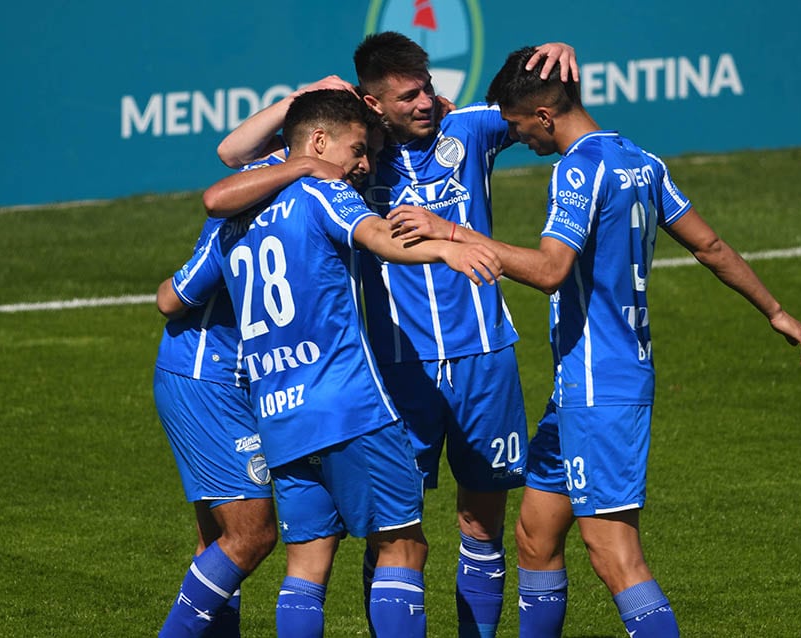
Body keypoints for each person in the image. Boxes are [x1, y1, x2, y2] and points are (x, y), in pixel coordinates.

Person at [389, 46, 801, 637]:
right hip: (579, 390)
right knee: (535, 534)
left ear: (542, 116)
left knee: (613, 552)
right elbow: (710, 246)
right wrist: (775, 309)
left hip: (601, 386)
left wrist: (451, 231)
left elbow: (550, 270)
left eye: (516, 126)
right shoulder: (640, 160)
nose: (517, 140)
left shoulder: (577, 170)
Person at [210, 34, 580, 638]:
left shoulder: (472, 132)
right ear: (373, 105)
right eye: (408, 96)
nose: (426, 103)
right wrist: (302, 97)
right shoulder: (356, 154)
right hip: (394, 370)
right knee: (388, 534)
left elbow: (549, 115)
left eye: (428, 88)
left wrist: (559, 54)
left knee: (481, 522)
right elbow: (233, 153)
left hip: (483, 356)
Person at [157, 88, 504, 638]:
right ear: (317, 143)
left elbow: (172, 297)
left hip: (277, 412)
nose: (366, 165)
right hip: (348, 404)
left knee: (307, 565)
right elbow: (377, 235)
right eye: (359, 150)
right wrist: (447, 246)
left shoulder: (237, 220)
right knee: (404, 546)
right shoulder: (322, 189)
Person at [153, 144, 350, 636]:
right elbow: (171, 298)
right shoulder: (248, 213)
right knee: (251, 535)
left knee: (219, 542)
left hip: (237, 379)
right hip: (207, 378)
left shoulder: (297, 191)